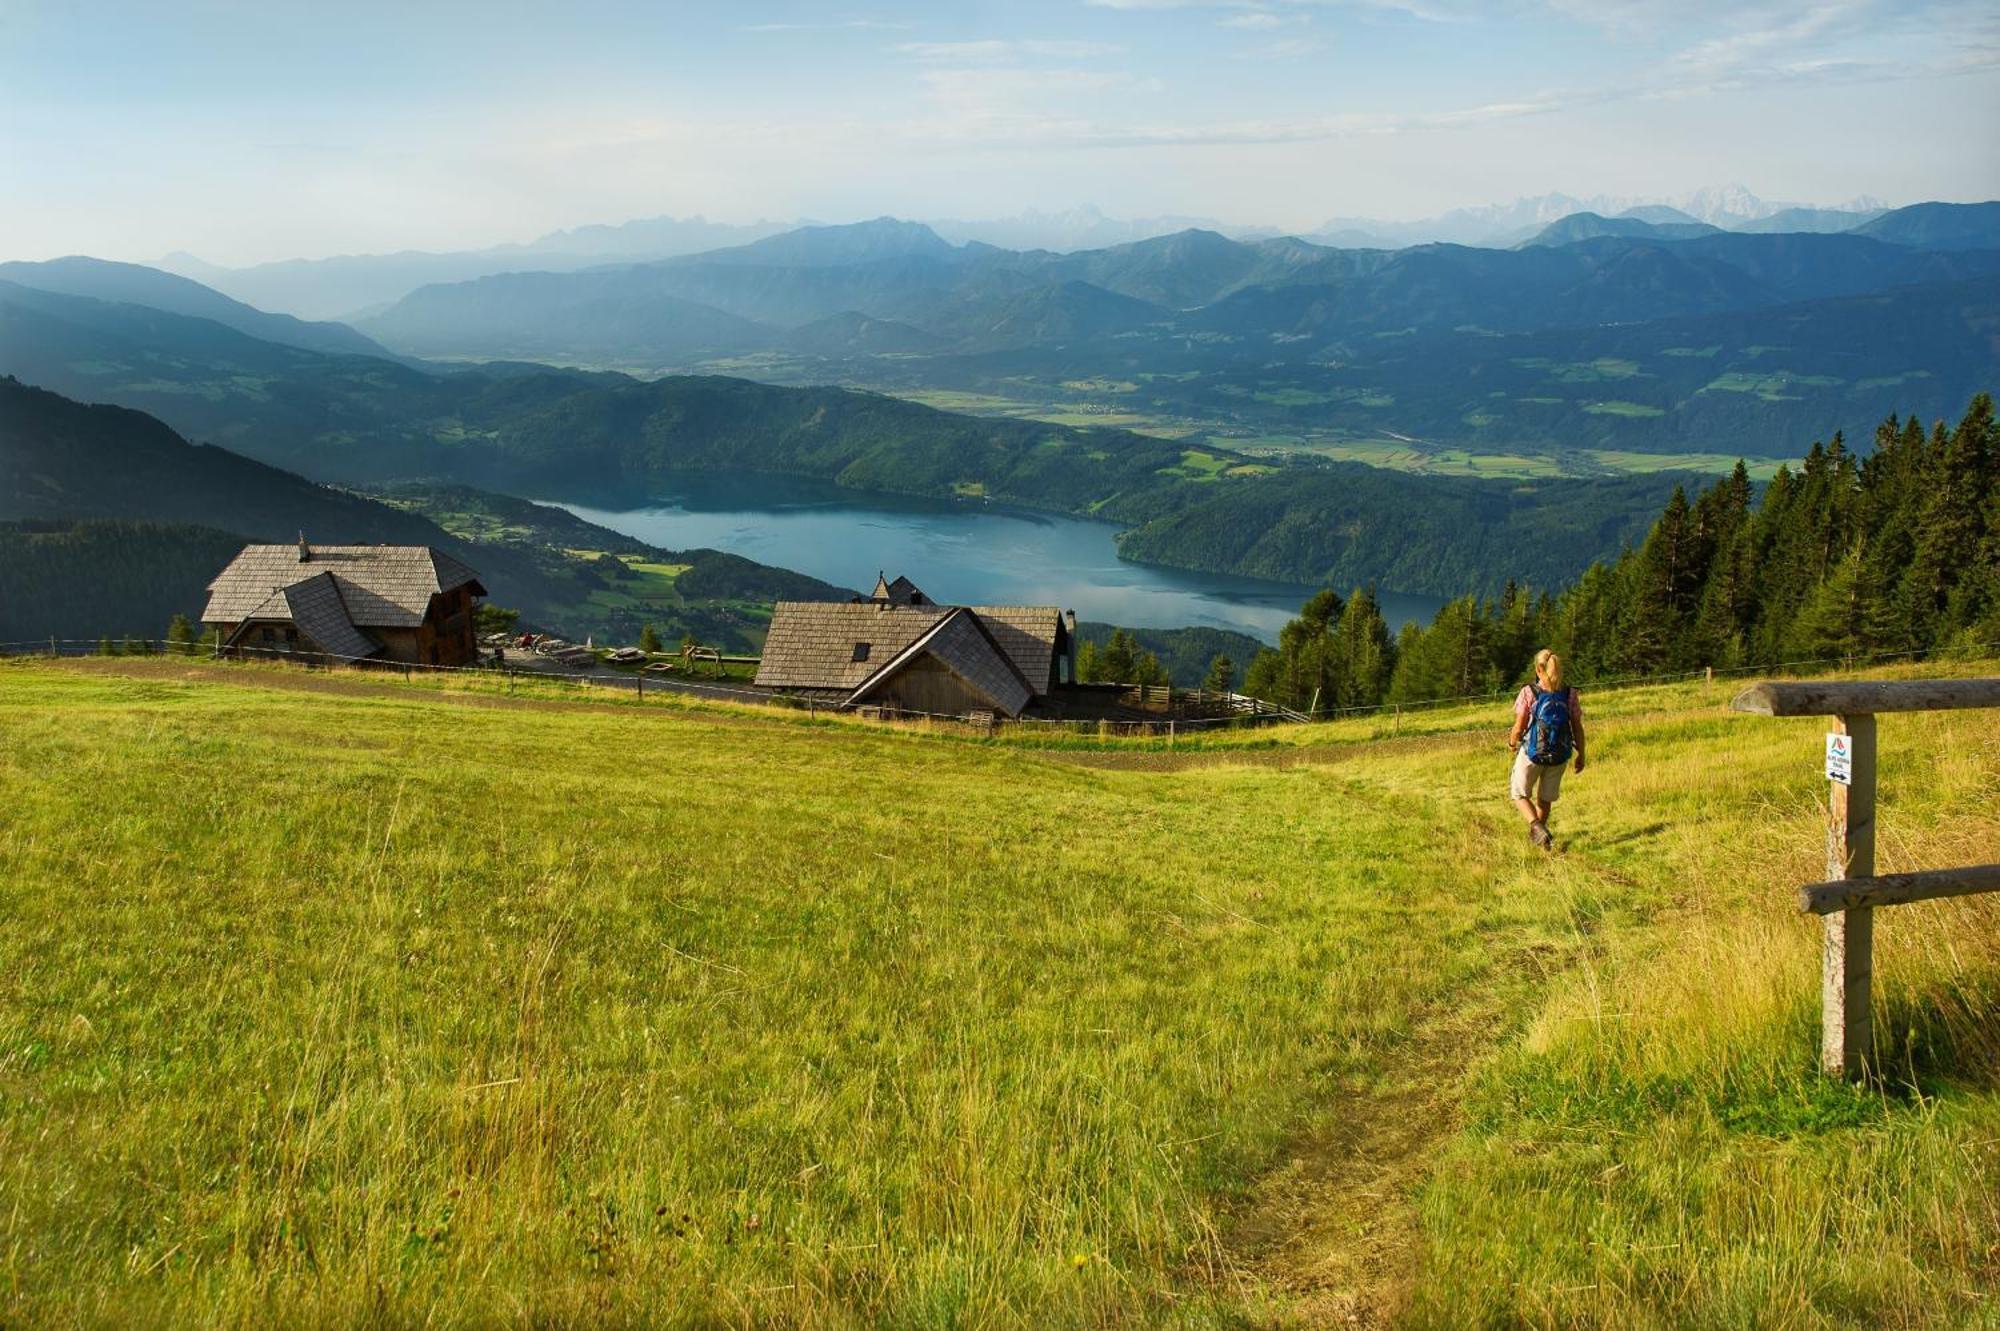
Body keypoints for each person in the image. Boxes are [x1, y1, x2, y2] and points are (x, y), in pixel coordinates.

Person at [1506, 648, 1586, 851]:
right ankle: (1542, 842)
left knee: (1518, 793)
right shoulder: (1570, 694)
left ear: (1538, 668)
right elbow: (1577, 727)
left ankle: (1536, 827)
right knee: (1545, 798)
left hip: (1533, 753)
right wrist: (1581, 754)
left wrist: (1512, 743)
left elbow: (1519, 726)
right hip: (1560, 754)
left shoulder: (1530, 692)